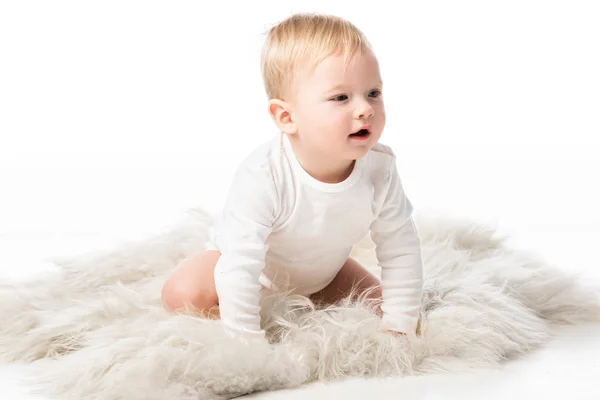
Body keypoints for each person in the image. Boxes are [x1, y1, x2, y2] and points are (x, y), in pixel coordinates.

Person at [161, 12, 424, 343]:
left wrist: (399, 325)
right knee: (182, 294)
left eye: (373, 93)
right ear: (286, 117)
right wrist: (247, 343)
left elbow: (400, 247)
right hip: (257, 273)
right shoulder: (264, 175)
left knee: (390, 306)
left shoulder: (380, 168)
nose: (365, 109)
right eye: (341, 97)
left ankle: (309, 303)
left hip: (326, 275)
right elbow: (241, 262)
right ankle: (254, 314)